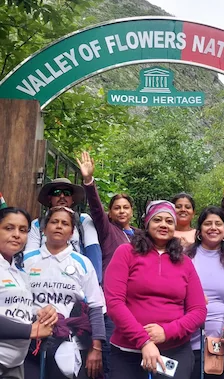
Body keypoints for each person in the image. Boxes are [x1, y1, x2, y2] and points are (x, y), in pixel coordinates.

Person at [104, 200, 207, 379]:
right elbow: (114, 303)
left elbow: (198, 311)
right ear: (147, 222)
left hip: (174, 350)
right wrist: (143, 340)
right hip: (128, 350)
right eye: (157, 220)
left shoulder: (185, 263)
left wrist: (167, 332)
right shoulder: (125, 253)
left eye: (169, 221)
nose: (163, 225)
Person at [24, 206, 106, 379]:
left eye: (65, 223)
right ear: (44, 229)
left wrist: (96, 347)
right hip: (29, 341)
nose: (59, 226)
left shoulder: (82, 263)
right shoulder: (26, 259)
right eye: (54, 222)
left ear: (72, 232)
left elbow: (95, 306)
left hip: (69, 343)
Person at [77, 151, 137, 379]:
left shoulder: (141, 236)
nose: (122, 211)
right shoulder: (107, 230)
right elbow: (95, 207)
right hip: (114, 302)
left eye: (126, 207)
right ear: (110, 213)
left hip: (137, 302)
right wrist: (89, 181)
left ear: (132, 212)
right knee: (112, 355)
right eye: (117, 208)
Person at [187, 206, 224, 379]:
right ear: (199, 231)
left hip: (221, 342)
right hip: (188, 339)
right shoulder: (186, 259)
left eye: (218, 224)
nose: (213, 227)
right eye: (208, 223)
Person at [0, 207, 57, 379]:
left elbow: (16, 308)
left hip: (14, 364)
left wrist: (39, 312)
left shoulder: (19, 272)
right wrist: (29, 331)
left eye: (23, 230)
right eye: (9, 228)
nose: (17, 234)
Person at [26, 178, 102, 283]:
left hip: (77, 278)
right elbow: (30, 257)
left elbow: (93, 251)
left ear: (72, 198)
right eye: (57, 193)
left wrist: (94, 282)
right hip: (43, 279)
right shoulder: (37, 224)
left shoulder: (83, 220)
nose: (62, 196)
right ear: (50, 198)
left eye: (67, 193)